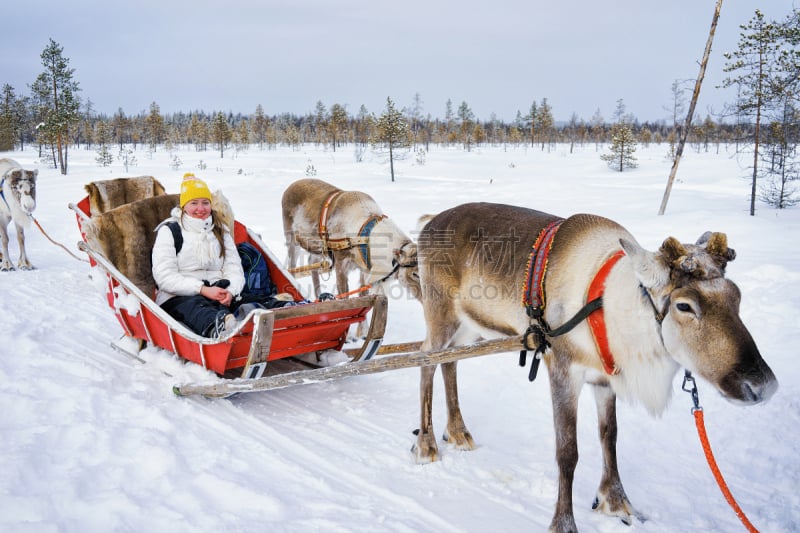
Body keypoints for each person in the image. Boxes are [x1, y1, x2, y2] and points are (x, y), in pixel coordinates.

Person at [152, 174, 245, 337]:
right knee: (196, 307)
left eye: (205, 203)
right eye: (194, 203)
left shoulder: (220, 230)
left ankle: (275, 312)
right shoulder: (170, 231)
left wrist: (230, 291)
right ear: (183, 206)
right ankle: (220, 327)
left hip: (218, 289)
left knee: (244, 298)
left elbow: (234, 267)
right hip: (179, 295)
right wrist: (202, 289)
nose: (201, 209)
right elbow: (164, 277)